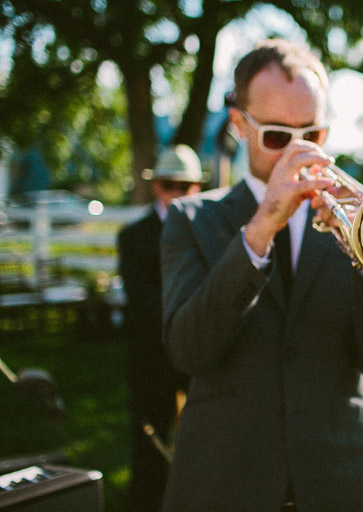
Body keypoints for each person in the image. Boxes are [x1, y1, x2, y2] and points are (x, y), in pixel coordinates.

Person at [159, 39, 363, 512]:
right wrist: (259, 232)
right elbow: (187, 350)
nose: (297, 151)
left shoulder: (357, 219)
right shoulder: (191, 219)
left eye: (311, 134)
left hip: (342, 480)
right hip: (228, 482)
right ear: (239, 125)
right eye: (277, 136)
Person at [117, 144, 205, 512]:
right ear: (156, 187)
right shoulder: (134, 235)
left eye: (186, 186)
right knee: (149, 442)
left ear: (197, 188)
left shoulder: (208, 230)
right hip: (152, 351)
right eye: (170, 185)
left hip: (199, 349)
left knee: (205, 436)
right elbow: (141, 298)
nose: (178, 193)